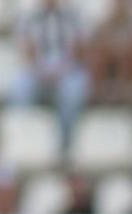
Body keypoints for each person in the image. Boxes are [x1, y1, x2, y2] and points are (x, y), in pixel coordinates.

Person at [10, 0, 91, 150]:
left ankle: (65, 141)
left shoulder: (74, 14)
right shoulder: (28, 15)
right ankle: (25, 137)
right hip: (37, 68)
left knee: (72, 92)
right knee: (19, 87)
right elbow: (26, 49)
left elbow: (81, 49)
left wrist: (62, 69)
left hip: (67, 68)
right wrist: (40, 70)